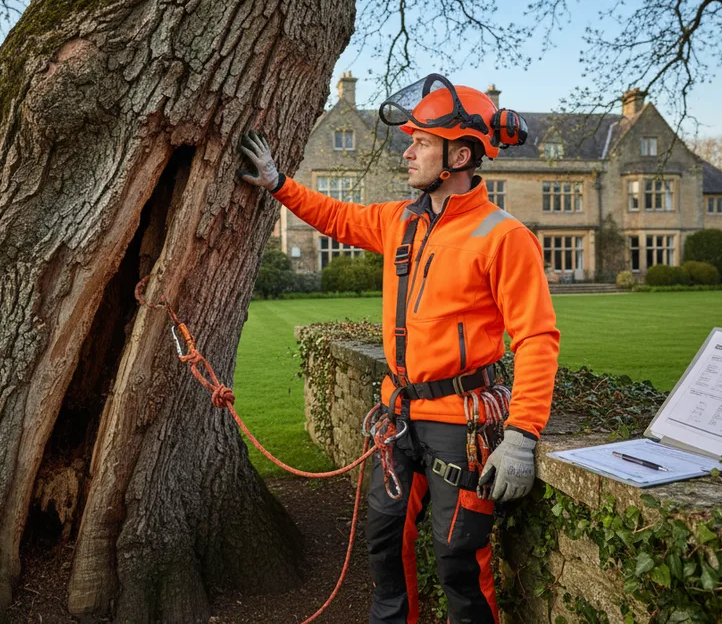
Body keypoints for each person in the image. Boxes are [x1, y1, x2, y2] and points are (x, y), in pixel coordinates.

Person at [238, 74, 560, 624]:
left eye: (421, 143)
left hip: (460, 423)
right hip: (397, 416)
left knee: (459, 559)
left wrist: (523, 436)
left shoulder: (505, 236)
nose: (407, 152)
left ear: (459, 155)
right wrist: (278, 183)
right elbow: (336, 216)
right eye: (409, 140)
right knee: (384, 546)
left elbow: (535, 337)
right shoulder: (400, 220)